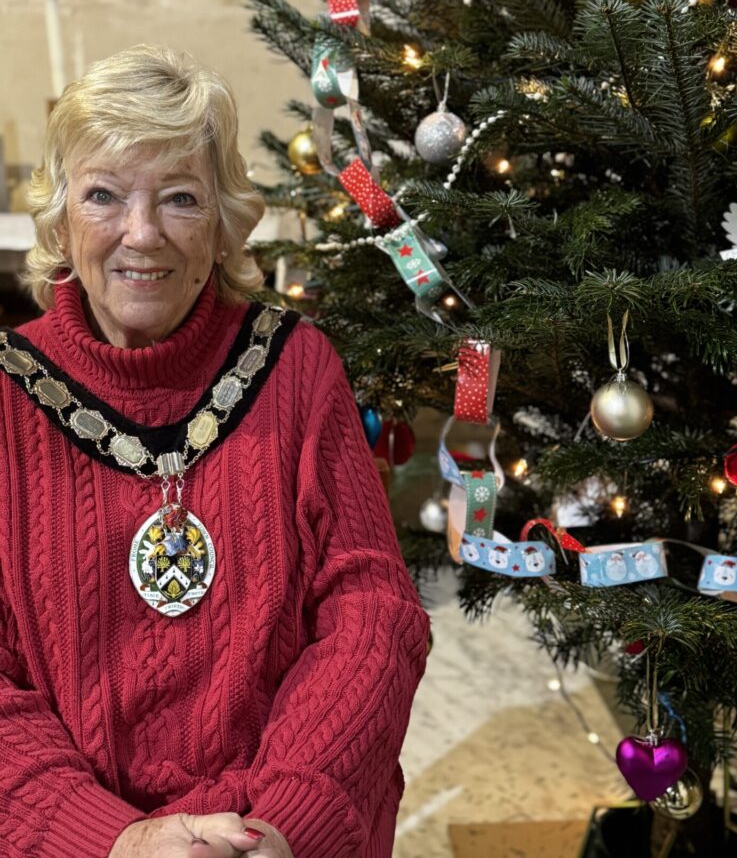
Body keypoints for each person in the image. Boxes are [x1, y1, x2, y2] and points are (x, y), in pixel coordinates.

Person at [0, 45, 430, 858]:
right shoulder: (5, 394)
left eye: (180, 198)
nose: (142, 234)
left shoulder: (297, 366)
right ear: (59, 219)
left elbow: (373, 613)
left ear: (226, 222)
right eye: (103, 195)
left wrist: (286, 823)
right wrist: (113, 841)